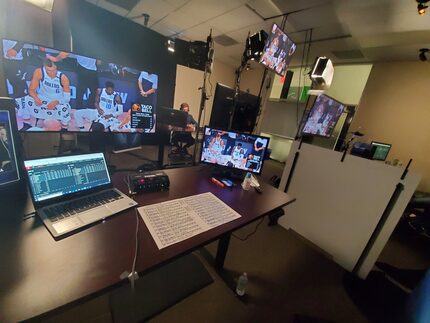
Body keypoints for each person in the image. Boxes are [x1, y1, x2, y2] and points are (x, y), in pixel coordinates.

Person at [26, 58, 71, 131]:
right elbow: (31, 90)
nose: (52, 73)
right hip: (42, 98)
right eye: (49, 70)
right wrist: (36, 98)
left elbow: (67, 98)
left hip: (58, 100)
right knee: (26, 100)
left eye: (54, 70)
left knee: (64, 108)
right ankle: (26, 124)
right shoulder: (39, 72)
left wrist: (56, 102)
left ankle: (64, 128)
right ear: (44, 67)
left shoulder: (63, 78)